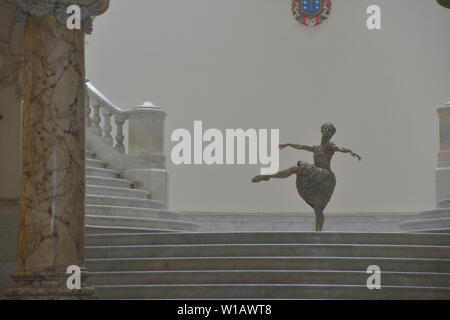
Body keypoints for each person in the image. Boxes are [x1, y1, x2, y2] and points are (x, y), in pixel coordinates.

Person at [252, 123, 361, 231]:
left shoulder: (330, 146)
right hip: (315, 173)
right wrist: (289, 144)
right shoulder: (316, 148)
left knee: (318, 209)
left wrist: (349, 151)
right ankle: (268, 176)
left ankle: (318, 233)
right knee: (294, 169)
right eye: (325, 128)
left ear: (332, 133)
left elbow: (339, 148)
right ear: (321, 130)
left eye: (330, 129)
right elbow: (301, 147)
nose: (327, 130)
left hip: (325, 176)